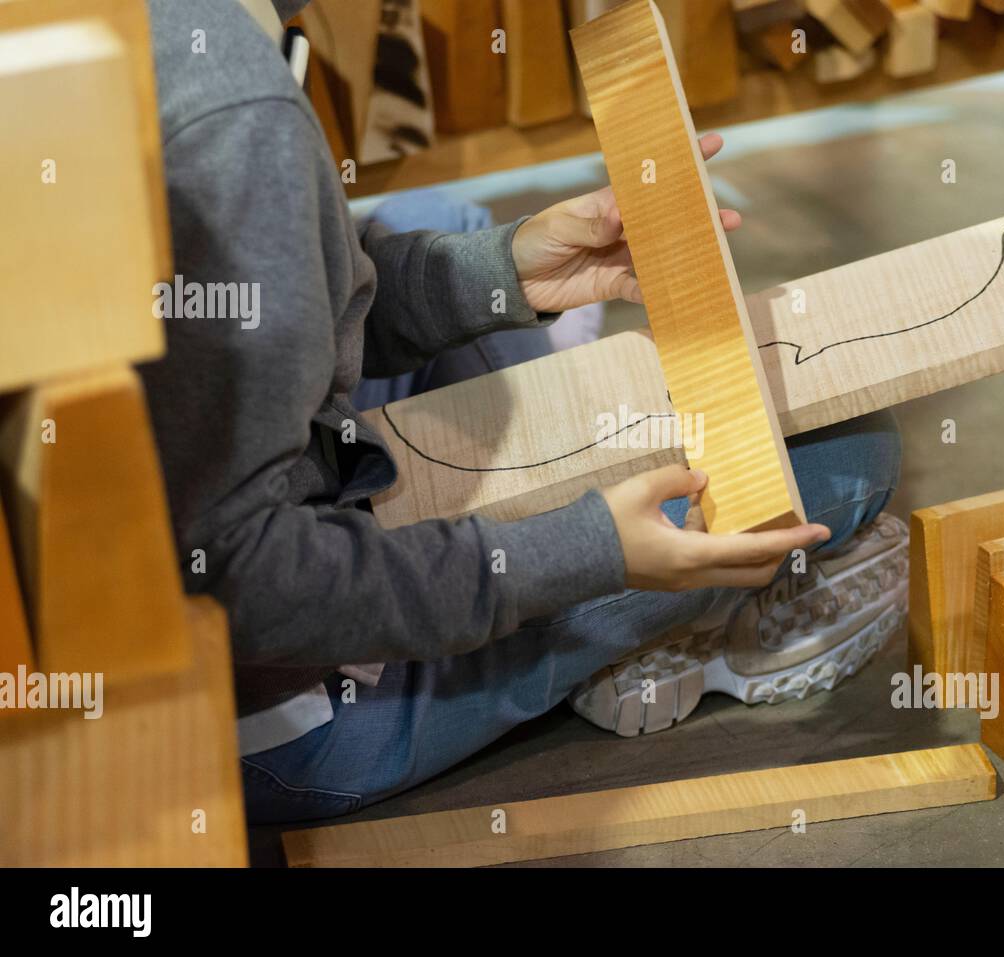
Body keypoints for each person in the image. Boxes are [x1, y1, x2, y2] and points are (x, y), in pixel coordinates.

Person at [143, 0, 902, 824]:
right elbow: (246, 584)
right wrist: (590, 550)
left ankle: (598, 539)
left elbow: (292, 308)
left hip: (212, 549)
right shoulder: (242, 118)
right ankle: (643, 638)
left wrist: (505, 271)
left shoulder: (161, 37)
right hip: (280, 713)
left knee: (449, 224)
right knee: (852, 452)